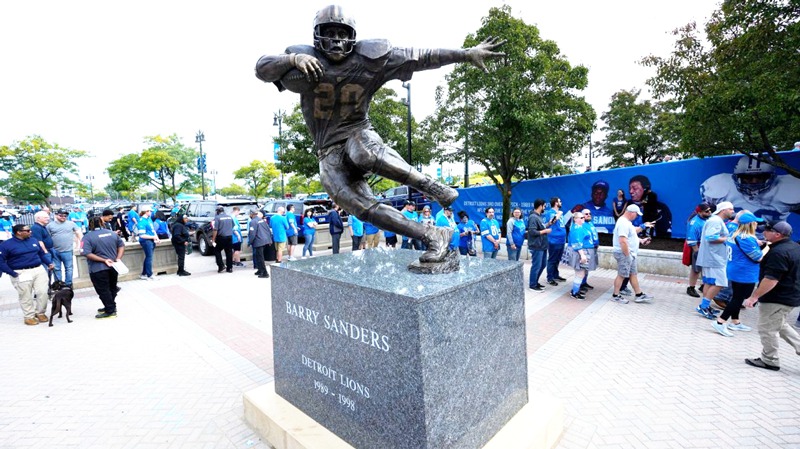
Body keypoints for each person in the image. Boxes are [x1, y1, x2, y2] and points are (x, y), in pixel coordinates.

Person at [255, 5, 503, 264]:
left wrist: (465, 54)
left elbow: (421, 57)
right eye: (330, 33)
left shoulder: (370, 59)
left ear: (352, 36)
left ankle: (430, 186)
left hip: (357, 131)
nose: (337, 40)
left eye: (342, 33)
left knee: (364, 152)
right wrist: (292, 60)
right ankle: (432, 235)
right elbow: (262, 68)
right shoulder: (303, 60)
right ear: (317, 35)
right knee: (361, 208)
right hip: (327, 150)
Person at [743, 221, 800, 371]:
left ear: (778, 234)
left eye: (767, 230)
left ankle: (770, 360)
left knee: (767, 329)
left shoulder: (778, 253)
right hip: (790, 295)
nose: (764, 232)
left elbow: (771, 279)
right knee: (780, 325)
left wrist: (754, 297)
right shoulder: (794, 247)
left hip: (777, 298)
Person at [701, 153, 800, 223]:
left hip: (772, 240)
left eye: (760, 177)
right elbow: (703, 215)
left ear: (771, 176)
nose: (754, 181)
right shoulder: (719, 185)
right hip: (734, 238)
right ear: (737, 177)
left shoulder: (790, 187)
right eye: (747, 177)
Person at [711, 212, 766, 337]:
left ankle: (735, 321)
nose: (757, 224)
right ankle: (720, 322)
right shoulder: (747, 238)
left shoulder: (735, 235)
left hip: (735, 270)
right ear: (750, 224)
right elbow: (758, 257)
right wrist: (767, 248)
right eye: (755, 222)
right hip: (744, 273)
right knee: (738, 299)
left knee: (736, 296)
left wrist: (756, 244)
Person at [0, 224, 54, 325]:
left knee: (42, 292)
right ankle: (29, 316)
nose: (30, 232)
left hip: (38, 269)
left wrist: (48, 263)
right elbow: (1, 261)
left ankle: (40, 312)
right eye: (27, 231)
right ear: (19, 232)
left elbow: (41, 253)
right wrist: (12, 273)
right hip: (21, 272)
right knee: (26, 295)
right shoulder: (6, 245)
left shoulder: (33, 240)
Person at [695, 201, 736, 319]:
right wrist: (728, 239)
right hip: (714, 258)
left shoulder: (714, 220)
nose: (733, 211)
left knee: (710, 282)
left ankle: (704, 306)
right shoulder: (715, 221)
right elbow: (711, 237)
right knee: (720, 283)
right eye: (731, 209)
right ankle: (703, 306)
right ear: (723, 210)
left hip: (712, 257)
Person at [82, 216, 125, 319]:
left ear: (89, 224)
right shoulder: (112, 233)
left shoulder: (87, 237)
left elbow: (86, 253)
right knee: (112, 288)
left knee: (103, 290)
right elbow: (121, 245)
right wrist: (117, 258)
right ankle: (110, 306)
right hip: (114, 267)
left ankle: (110, 311)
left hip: (98, 268)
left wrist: (104, 260)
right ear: (102, 223)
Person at [610, 205, 655, 304]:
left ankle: (639, 294)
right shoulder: (623, 223)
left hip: (629, 254)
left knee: (633, 274)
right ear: (632, 213)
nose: (637, 217)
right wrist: (627, 255)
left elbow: (632, 234)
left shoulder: (626, 222)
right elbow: (622, 241)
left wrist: (641, 240)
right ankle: (615, 295)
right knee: (622, 275)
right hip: (625, 254)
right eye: (636, 214)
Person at [46, 209, 83, 287]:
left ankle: (68, 284)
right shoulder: (50, 225)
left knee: (69, 268)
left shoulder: (71, 224)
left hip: (67, 250)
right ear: (56, 215)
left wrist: (81, 244)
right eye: (61, 215)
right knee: (56, 269)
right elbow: (47, 237)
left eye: (65, 216)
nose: (63, 217)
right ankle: (59, 284)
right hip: (54, 251)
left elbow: (78, 233)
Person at [685, 203, 713, 298]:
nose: (710, 212)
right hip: (698, 247)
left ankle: (703, 285)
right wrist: (697, 252)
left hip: (706, 247)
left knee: (706, 268)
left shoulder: (707, 219)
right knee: (696, 269)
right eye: (707, 211)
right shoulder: (695, 223)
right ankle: (691, 288)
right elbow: (692, 240)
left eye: (710, 210)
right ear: (700, 212)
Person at [565, 211, 592, 300]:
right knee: (580, 273)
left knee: (580, 272)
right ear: (575, 219)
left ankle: (575, 290)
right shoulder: (577, 228)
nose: (583, 219)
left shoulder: (578, 227)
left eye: (583, 217)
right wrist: (583, 255)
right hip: (578, 252)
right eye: (580, 218)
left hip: (578, 251)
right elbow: (577, 243)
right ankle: (575, 292)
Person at [527, 199, 552, 291]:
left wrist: (548, 224)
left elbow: (541, 227)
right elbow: (532, 231)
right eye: (544, 206)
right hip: (537, 246)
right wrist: (545, 231)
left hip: (542, 245)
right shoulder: (533, 217)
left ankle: (535, 282)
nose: (545, 208)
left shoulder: (539, 217)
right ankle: (532, 285)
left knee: (543, 264)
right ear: (540, 206)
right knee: (536, 265)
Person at [544, 197, 567, 285]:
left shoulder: (559, 213)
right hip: (554, 240)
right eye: (560, 201)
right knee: (552, 259)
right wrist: (559, 214)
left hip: (561, 240)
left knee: (557, 259)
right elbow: (552, 222)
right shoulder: (551, 213)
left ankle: (555, 275)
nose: (561, 202)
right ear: (556, 203)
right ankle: (550, 278)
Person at [137, 208, 160, 280]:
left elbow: (153, 230)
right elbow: (142, 235)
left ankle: (144, 274)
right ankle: (149, 275)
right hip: (146, 241)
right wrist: (154, 237)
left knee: (148, 257)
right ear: (146, 211)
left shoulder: (149, 219)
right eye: (150, 211)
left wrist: (157, 238)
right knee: (149, 258)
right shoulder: (142, 221)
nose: (151, 212)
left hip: (151, 240)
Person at [580, 208, 599, 292]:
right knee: (583, 268)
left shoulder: (591, 223)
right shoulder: (582, 224)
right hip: (585, 248)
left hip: (593, 248)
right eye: (586, 214)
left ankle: (584, 282)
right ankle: (580, 284)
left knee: (587, 268)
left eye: (589, 213)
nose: (588, 215)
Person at [248, 209, 272, 278]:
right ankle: (260, 270)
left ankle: (265, 273)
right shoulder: (262, 220)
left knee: (260, 257)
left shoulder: (253, 222)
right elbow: (268, 230)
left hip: (258, 241)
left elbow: (252, 234)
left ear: (252, 214)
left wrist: (250, 242)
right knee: (259, 256)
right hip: (265, 240)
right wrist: (269, 240)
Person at [211, 206, 234, 273]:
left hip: (221, 237)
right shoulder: (229, 217)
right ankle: (229, 268)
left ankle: (221, 266)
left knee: (217, 250)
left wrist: (213, 239)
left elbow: (215, 229)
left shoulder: (217, 218)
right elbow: (232, 226)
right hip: (229, 236)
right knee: (229, 252)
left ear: (218, 211)